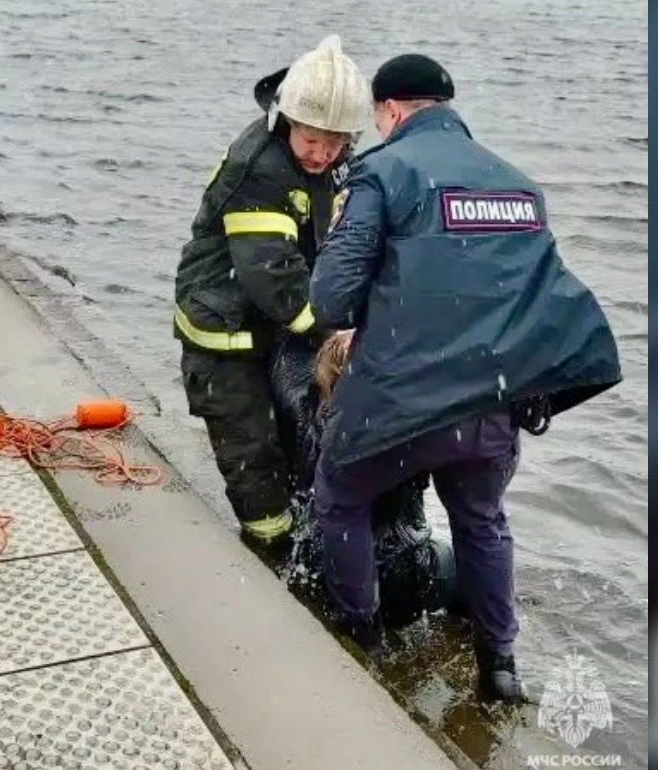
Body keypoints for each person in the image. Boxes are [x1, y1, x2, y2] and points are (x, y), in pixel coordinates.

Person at [309, 54, 622, 701]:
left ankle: (361, 640)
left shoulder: (382, 171)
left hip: (395, 405)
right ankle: (500, 667)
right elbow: (546, 302)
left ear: (390, 111)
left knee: (340, 496)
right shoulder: (517, 185)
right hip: (489, 406)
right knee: (482, 522)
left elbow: (333, 297)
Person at [173, 36, 373, 542]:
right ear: (285, 120)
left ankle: (310, 538)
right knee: (252, 453)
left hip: (275, 325)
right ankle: (270, 548)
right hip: (224, 331)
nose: (322, 154)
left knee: (295, 439)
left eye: (336, 144)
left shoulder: (326, 159)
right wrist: (336, 335)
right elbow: (275, 279)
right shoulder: (258, 170)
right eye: (312, 140)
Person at [279, 330, 461, 630]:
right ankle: (483, 637)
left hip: (329, 574)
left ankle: (362, 635)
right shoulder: (409, 426)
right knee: (466, 565)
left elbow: (287, 371)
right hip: (407, 579)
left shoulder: (311, 417)